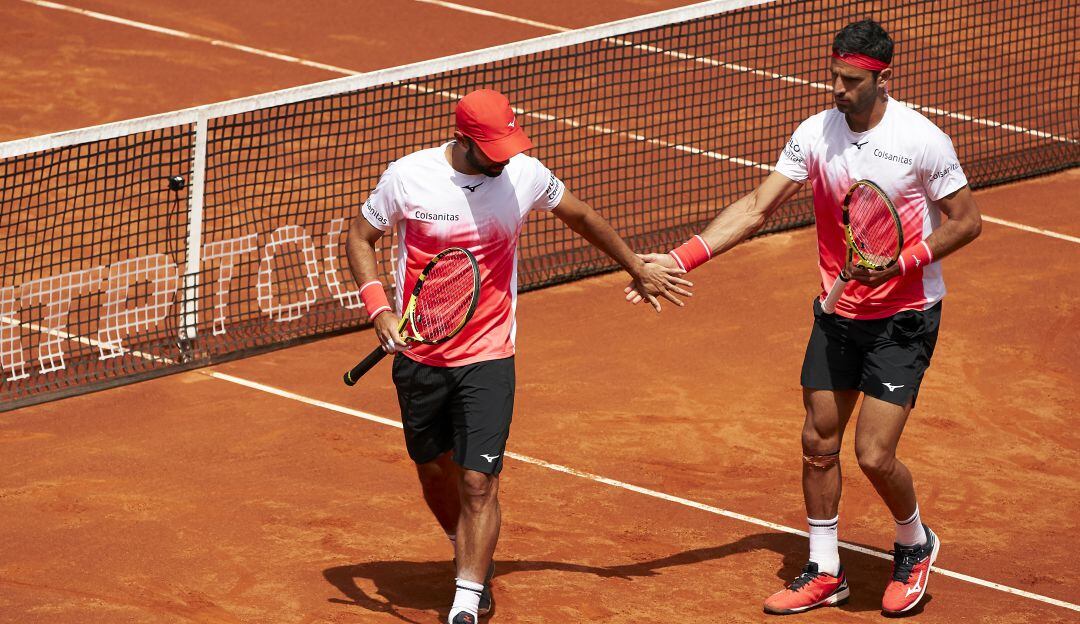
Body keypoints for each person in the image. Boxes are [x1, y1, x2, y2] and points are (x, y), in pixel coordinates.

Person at [627, 19, 981, 616]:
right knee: (818, 442)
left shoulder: (922, 140)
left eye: (849, 81)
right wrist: (681, 259)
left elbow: (966, 221)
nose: (836, 90)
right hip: (838, 311)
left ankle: (914, 543)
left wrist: (901, 261)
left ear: (880, 77)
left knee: (873, 454)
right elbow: (756, 207)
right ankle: (825, 568)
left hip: (905, 316)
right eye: (833, 77)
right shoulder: (816, 133)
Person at [346, 89, 690, 624]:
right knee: (434, 474)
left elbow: (579, 215)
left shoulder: (524, 174)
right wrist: (379, 310)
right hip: (420, 356)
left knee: (479, 482)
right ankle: (466, 550)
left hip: (489, 353)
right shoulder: (408, 176)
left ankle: (466, 600)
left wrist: (634, 266)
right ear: (462, 139)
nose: (505, 156)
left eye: (510, 144)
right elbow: (360, 235)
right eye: (493, 147)